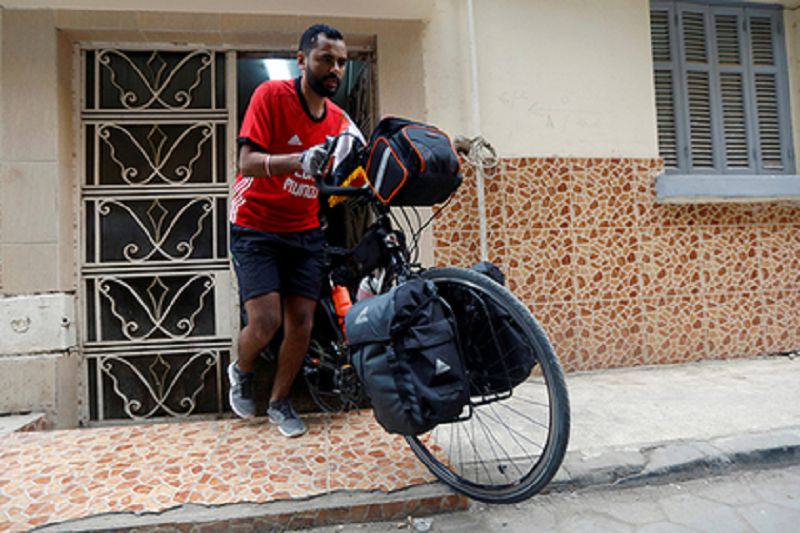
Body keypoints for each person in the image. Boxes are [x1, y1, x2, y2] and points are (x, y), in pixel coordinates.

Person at [228, 23, 364, 437]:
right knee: (266, 321)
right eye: (326, 59)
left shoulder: (340, 120)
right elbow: (246, 162)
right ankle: (243, 368)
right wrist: (296, 160)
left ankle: (280, 402)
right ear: (302, 60)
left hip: (303, 228)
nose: (335, 69)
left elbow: (351, 171)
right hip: (254, 222)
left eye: (341, 62)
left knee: (301, 322)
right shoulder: (271, 96)